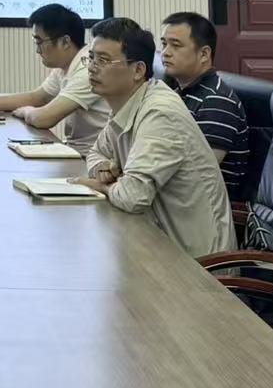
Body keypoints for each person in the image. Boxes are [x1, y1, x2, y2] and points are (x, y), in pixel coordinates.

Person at [73, 16, 234, 259]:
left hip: (198, 264)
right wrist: (102, 168)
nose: (93, 67)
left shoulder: (160, 113)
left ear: (138, 70)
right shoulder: (126, 103)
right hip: (155, 242)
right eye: (91, 58)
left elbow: (132, 197)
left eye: (103, 60)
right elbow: (96, 152)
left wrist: (99, 185)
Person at [0, 2, 112, 155]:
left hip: (93, 159)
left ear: (65, 42)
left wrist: (26, 111)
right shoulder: (66, 65)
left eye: (39, 42)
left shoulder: (86, 69)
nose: (37, 50)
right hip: (78, 151)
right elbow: (37, 97)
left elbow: (44, 118)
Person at [157, 12, 252, 201]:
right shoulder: (179, 93)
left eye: (176, 45)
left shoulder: (216, 101)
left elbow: (198, 175)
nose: (166, 52)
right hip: (177, 200)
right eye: (164, 44)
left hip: (206, 209)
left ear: (204, 54)